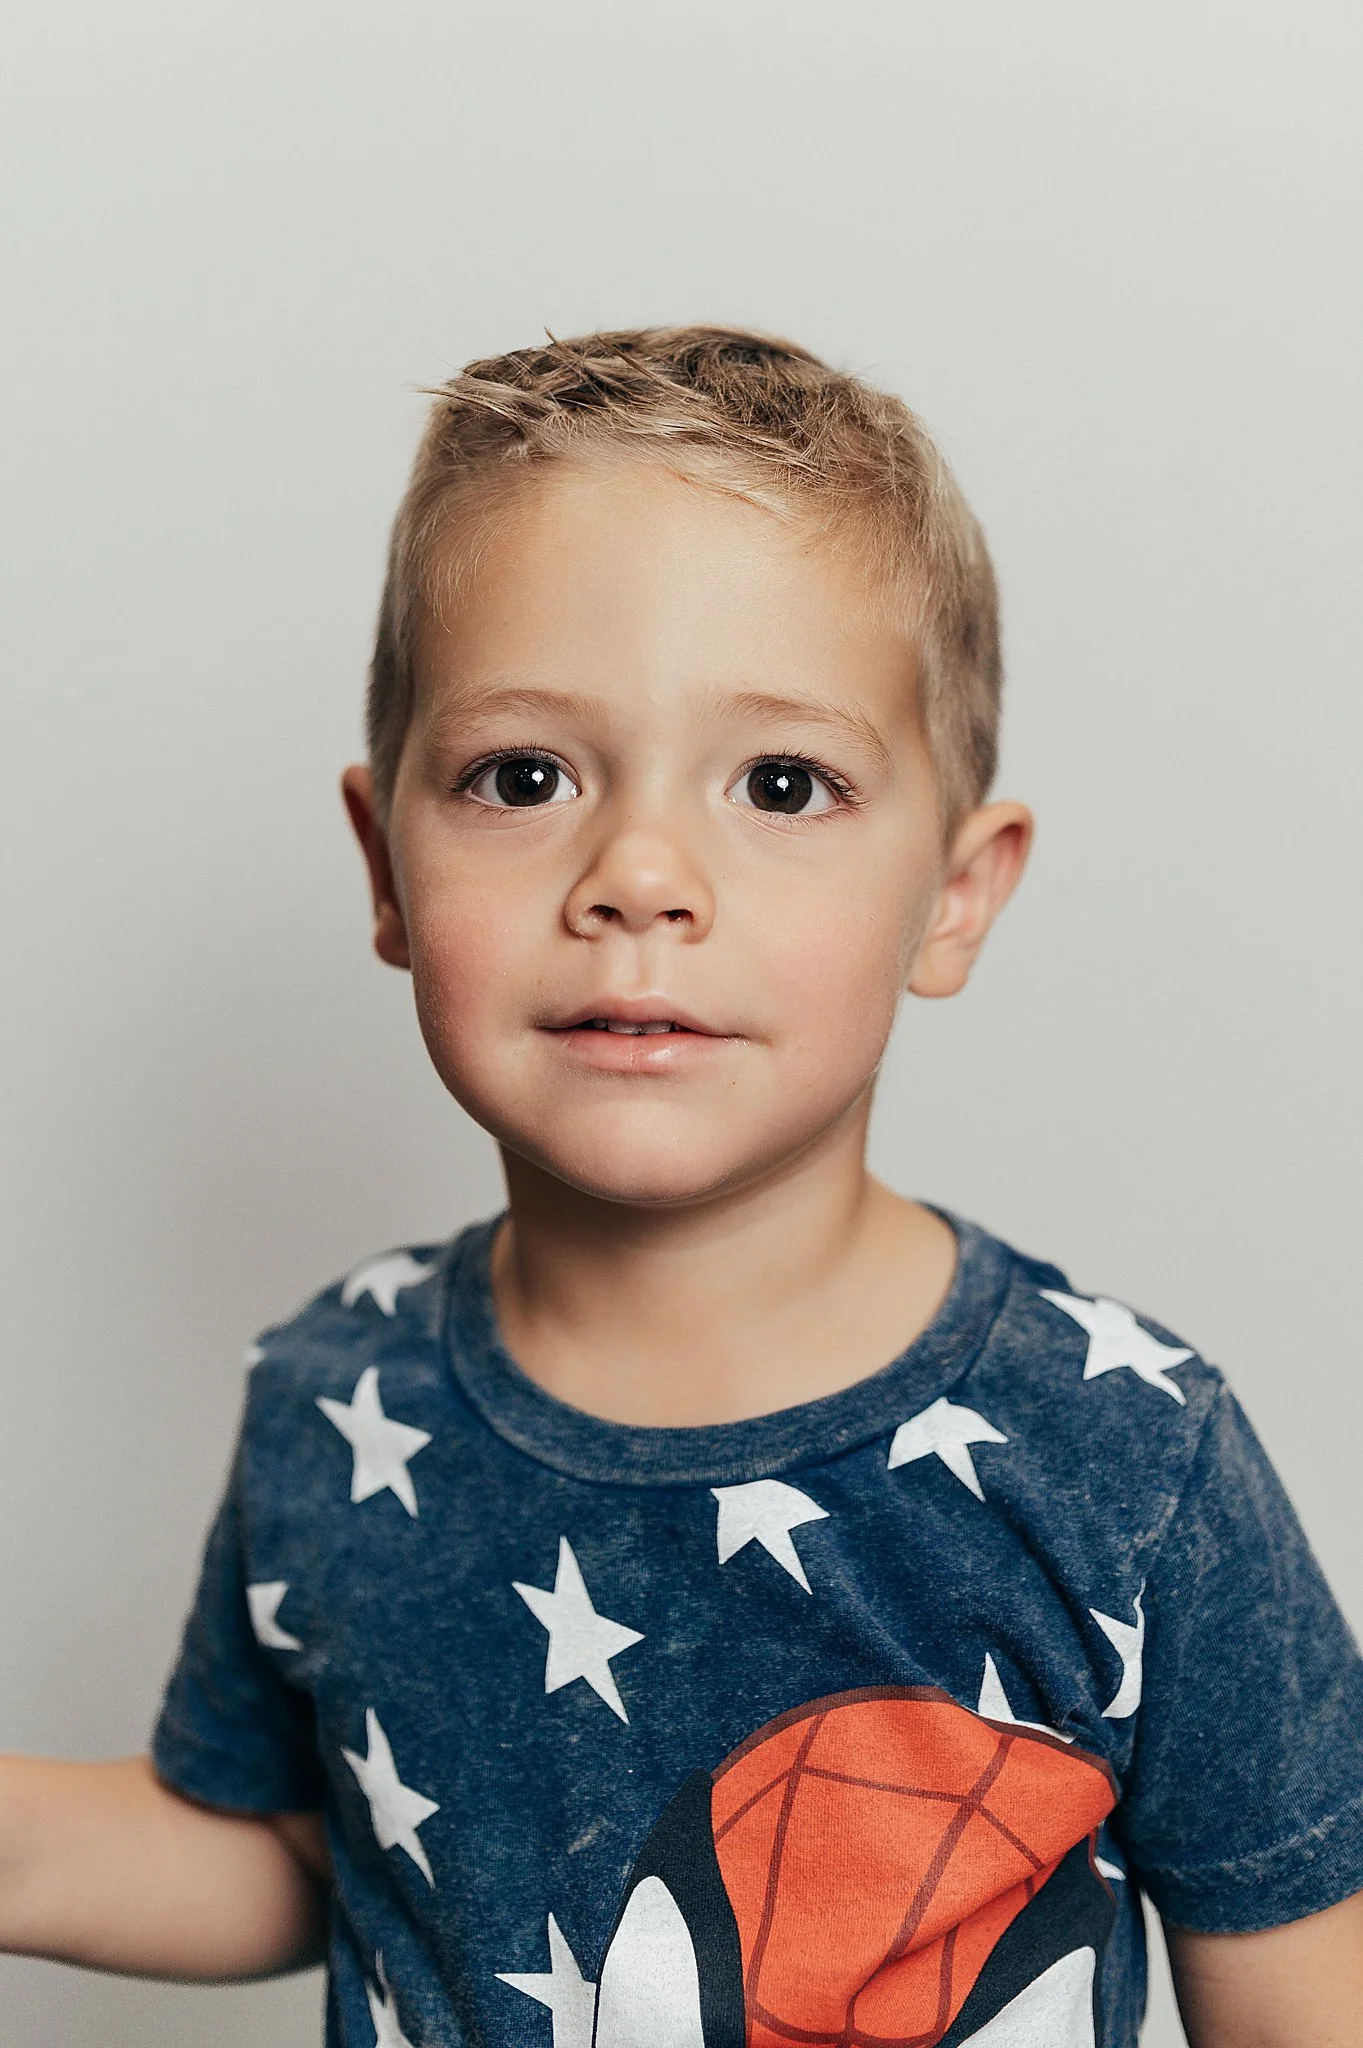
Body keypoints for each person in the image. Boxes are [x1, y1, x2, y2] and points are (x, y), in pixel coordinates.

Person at [2, 327, 1360, 2048]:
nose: (638, 874)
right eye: (523, 777)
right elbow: (303, 1848)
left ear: (953, 895)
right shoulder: (336, 1398)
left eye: (781, 785)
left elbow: (1303, 2002)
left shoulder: (1122, 1458)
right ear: (387, 865)